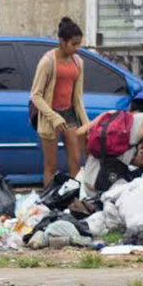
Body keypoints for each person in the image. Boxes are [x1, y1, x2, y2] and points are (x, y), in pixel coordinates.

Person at [30, 17, 89, 186]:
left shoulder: (78, 62)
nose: (77, 48)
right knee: (51, 166)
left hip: (69, 115)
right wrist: (53, 117)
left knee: (76, 162)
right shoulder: (48, 62)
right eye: (74, 44)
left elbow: (78, 98)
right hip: (50, 118)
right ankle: (49, 204)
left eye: (79, 44)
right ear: (62, 41)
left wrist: (86, 125)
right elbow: (35, 95)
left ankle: (75, 201)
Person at [76, 91, 143, 198]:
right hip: (110, 186)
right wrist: (130, 157)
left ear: (130, 106)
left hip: (88, 182)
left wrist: (87, 152)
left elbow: (80, 132)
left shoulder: (110, 113)